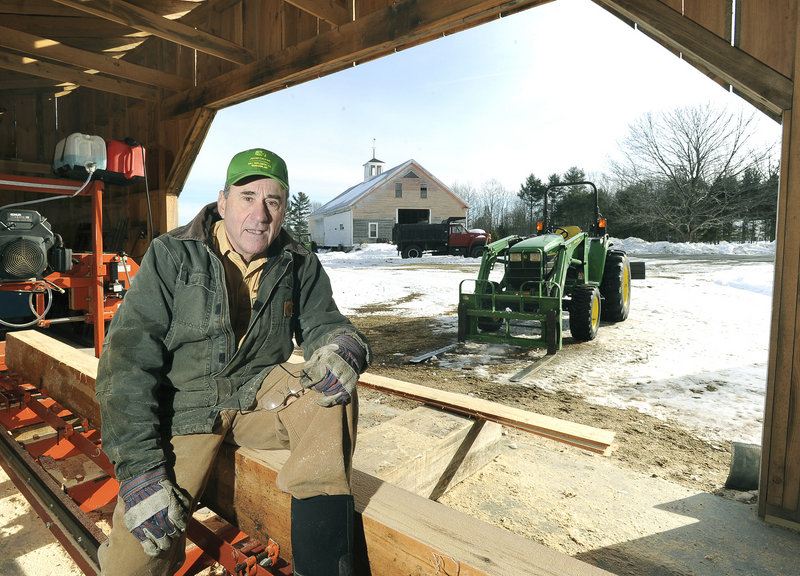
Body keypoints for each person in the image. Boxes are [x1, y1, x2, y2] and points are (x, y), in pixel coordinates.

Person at [95, 148, 370, 576]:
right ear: (222, 202)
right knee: (136, 561)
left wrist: (342, 346)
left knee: (332, 398)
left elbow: (325, 323)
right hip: (185, 410)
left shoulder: (298, 263)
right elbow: (126, 363)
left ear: (282, 211)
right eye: (247, 197)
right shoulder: (171, 256)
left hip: (256, 397)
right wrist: (139, 470)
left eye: (273, 201)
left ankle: (321, 568)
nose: (259, 214)